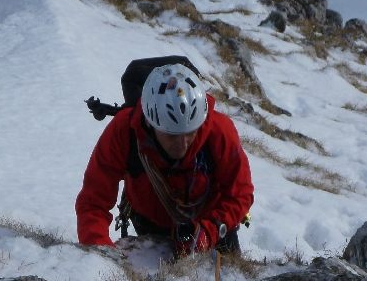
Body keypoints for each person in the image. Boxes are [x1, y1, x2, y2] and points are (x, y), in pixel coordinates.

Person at [75, 63, 253, 257]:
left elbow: (240, 193)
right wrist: (100, 253)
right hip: (151, 223)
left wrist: (210, 231)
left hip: (214, 224)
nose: (182, 145)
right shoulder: (124, 132)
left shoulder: (219, 132)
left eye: (190, 133)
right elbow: (93, 202)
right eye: (171, 135)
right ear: (151, 124)